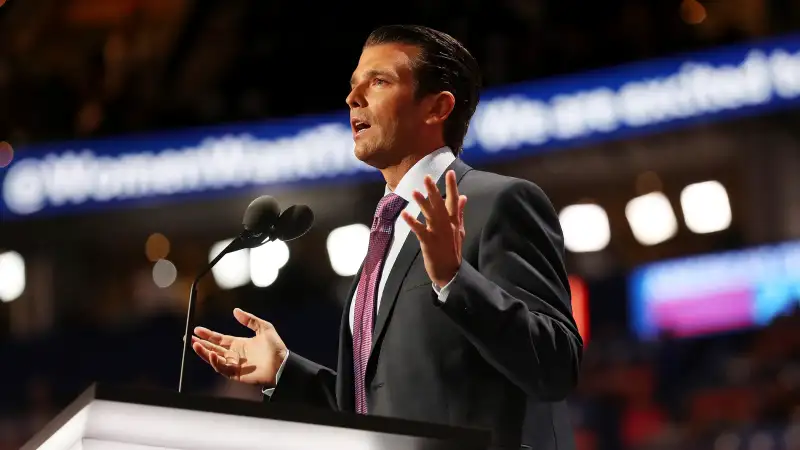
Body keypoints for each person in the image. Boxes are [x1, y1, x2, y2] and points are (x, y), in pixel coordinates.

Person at [191, 24, 583, 450]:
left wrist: (455, 280)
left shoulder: (500, 202)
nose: (352, 98)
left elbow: (556, 366)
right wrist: (285, 371)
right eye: (353, 85)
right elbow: (373, 411)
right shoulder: (385, 233)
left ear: (437, 108)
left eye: (379, 82)